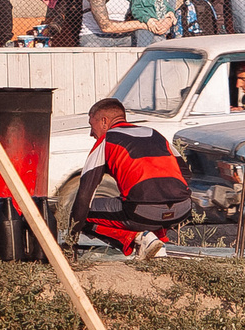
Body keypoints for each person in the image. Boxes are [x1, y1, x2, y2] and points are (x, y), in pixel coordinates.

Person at [68, 97, 192, 258]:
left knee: (82, 212)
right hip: (183, 209)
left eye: (92, 125)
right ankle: (157, 243)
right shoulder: (155, 135)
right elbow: (186, 174)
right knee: (144, 198)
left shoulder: (107, 139)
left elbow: (84, 196)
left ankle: (138, 238)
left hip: (142, 212)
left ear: (104, 121)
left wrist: (71, 239)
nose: (91, 133)